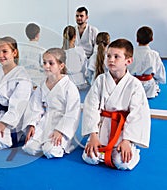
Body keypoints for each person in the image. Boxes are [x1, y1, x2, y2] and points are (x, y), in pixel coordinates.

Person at [81, 39, 151, 170]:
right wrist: (93, 135)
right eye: (108, 56)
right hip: (102, 128)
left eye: (116, 57)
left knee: (122, 163)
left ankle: (132, 149)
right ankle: (100, 143)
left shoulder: (134, 85)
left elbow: (138, 114)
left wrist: (127, 140)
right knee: (90, 157)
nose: (111, 60)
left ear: (128, 61)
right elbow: (91, 107)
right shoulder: (100, 80)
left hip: (122, 130)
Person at [22, 48, 81, 159]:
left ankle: (65, 143)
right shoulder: (42, 85)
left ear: (61, 66)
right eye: (44, 62)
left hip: (61, 123)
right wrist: (32, 124)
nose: (46, 66)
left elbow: (72, 113)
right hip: (45, 122)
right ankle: (42, 141)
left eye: (51, 63)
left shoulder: (70, 87)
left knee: (50, 151)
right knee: (30, 148)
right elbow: (35, 107)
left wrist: (61, 130)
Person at [127, 26, 166, 98]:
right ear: (151, 39)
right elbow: (160, 73)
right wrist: (160, 79)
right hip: (149, 88)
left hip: (133, 85)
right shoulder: (154, 54)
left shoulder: (131, 54)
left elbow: (126, 70)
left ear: (137, 39)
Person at [19, 23, 46, 88]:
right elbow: (44, 66)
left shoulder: (21, 49)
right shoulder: (41, 50)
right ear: (37, 35)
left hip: (24, 80)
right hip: (38, 81)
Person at [62, 25, 88, 89]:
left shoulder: (60, 53)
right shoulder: (80, 51)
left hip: (66, 85)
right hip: (80, 84)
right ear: (75, 37)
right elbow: (85, 68)